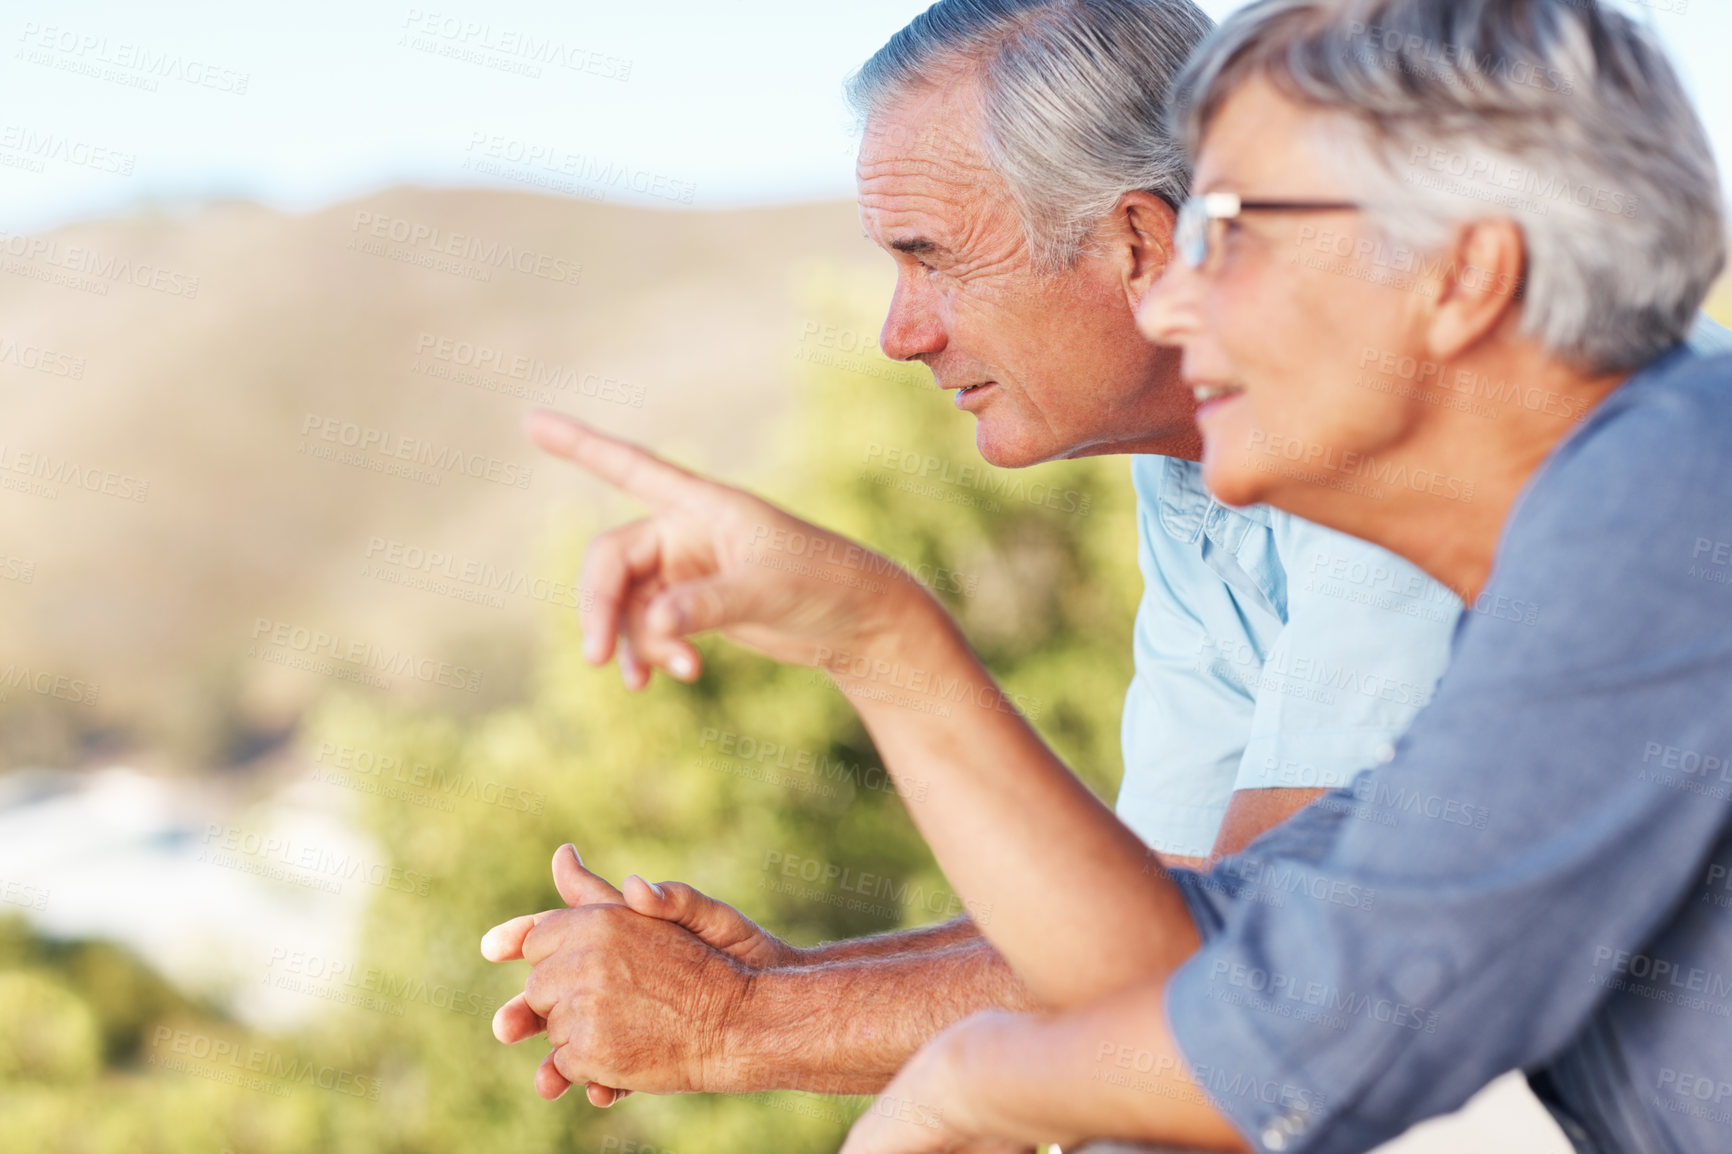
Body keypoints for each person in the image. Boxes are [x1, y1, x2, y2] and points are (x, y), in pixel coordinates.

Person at [507, 0, 1732, 1151]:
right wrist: (873, 640)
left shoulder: (1667, 494)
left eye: (1230, 235)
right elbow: (1198, 953)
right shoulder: (1576, 564)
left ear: (1462, 271)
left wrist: (927, 1064)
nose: (1172, 292)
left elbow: (1300, 1036)